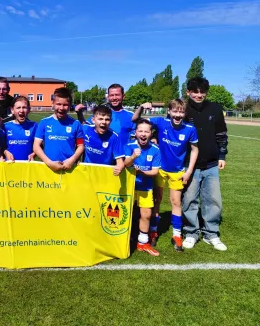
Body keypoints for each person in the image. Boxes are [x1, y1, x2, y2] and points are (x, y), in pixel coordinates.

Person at [132, 99, 199, 251]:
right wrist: (141, 107)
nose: (178, 115)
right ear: (169, 111)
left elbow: (195, 150)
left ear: (185, 113)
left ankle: (176, 234)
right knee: (157, 200)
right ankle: (153, 231)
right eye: (175, 111)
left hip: (177, 171)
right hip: (160, 169)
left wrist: (188, 171)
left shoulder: (190, 129)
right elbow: (136, 119)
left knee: (176, 202)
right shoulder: (161, 122)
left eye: (181, 112)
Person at [182, 77, 228, 251]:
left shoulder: (215, 109)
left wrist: (222, 155)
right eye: (195, 91)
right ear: (188, 92)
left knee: (213, 200)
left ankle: (211, 233)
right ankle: (191, 233)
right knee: (189, 199)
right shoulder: (182, 109)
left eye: (202, 91)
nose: (199, 95)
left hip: (211, 163)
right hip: (189, 164)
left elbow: (221, 134)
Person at [124, 119, 162, 256]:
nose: (143, 134)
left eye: (147, 131)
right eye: (140, 131)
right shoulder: (129, 145)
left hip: (146, 188)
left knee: (146, 214)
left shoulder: (155, 150)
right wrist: (133, 156)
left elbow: (155, 172)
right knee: (126, 213)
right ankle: (123, 239)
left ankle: (143, 242)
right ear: (136, 133)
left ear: (151, 133)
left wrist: (141, 172)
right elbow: (125, 164)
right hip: (129, 187)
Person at [33, 87, 84, 172]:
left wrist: (72, 160)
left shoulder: (76, 124)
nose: (61, 108)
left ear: (70, 105)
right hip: (48, 168)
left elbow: (81, 146)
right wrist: (49, 163)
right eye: (58, 104)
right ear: (53, 103)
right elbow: (36, 146)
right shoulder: (44, 122)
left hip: (69, 168)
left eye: (65, 105)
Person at [81, 105, 125, 176]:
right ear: (93, 120)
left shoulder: (114, 137)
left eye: (107, 119)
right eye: (100, 119)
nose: (104, 122)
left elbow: (120, 160)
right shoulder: (85, 129)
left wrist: (119, 167)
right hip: (87, 172)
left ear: (110, 121)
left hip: (105, 174)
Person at [4, 96, 37, 161]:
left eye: (24, 107)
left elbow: (40, 146)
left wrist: (33, 154)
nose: (21, 110)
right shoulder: (5, 126)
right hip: (10, 165)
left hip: (27, 166)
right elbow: (0, 146)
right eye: (18, 108)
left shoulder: (34, 126)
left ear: (29, 109)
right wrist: (5, 152)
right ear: (12, 110)